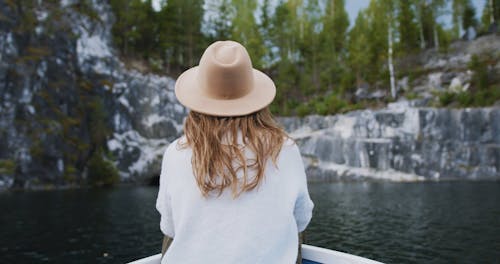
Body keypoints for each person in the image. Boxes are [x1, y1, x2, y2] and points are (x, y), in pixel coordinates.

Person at [155, 40, 314, 264]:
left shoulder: (176, 152)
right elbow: (301, 219)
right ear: (256, 99)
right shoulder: (286, 149)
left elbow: (169, 226)